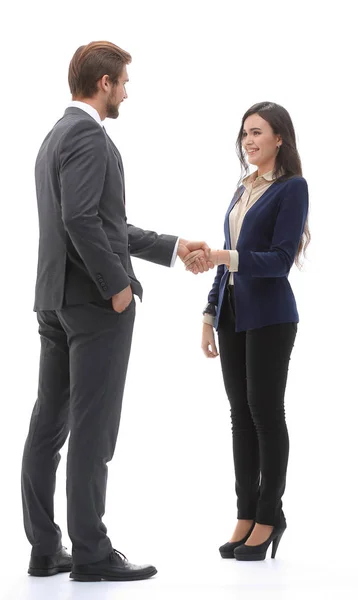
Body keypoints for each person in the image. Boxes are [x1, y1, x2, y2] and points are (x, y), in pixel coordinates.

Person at [21, 40, 213, 582]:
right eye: (124, 82)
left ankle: (44, 550)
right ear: (104, 83)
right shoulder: (86, 135)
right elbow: (82, 220)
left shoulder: (53, 136)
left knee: (49, 426)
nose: (126, 91)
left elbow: (102, 225)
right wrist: (117, 289)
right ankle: (91, 553)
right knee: (92, 428)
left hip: (55, 301)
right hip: (93, 304)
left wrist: (173, 246)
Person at [185, 102, 310, 561]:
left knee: (265, 412)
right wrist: (207, 317)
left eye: (257, 133)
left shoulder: (292, 188)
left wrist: (222, 257)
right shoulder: (243, 188)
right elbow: (229, 259)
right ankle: (245, 512)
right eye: (244, 135)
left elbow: (279, 262)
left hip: (273, 316)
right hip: (233, 314)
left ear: (280, 138)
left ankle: (269, 514)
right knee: (240, 415)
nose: (249, 141)